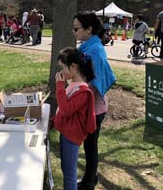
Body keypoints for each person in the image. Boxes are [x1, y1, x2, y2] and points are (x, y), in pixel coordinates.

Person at [73, 11, 116, 190]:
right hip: (92, 106)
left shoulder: (94, 52)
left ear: (89, 29)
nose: (74, 32)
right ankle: (91, 177)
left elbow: (92, 84)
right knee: (90, 145)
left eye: (77, 29)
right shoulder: (88, 48)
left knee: (91, 147)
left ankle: (89, 182)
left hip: (95, 108)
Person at [53, 47, 96, 190]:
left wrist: (59, 85)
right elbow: (66, 111)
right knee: (66, 169)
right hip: (66, 133)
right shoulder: (73, 84)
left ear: (73, 66)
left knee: (70, 175)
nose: (61, 71)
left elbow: (65, 109)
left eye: (63, 67)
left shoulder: (83, 91)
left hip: (72, 137)